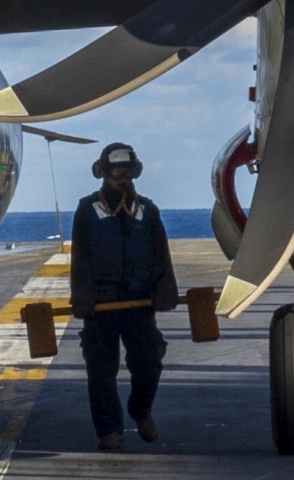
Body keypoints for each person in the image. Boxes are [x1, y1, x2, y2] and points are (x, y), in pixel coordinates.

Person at [70, 142, 176, 453]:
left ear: (134, 172)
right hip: (100, 308)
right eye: (115, 171)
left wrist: (165, 291)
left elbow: (161, 254)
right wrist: (83, 298)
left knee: (149, 364)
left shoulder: (148, 210)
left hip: (139, 304)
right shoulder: (87, 210)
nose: (121, 177)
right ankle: (109, 431)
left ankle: (140, 411)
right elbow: (80, 258)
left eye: (126, 171)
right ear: (102, 172)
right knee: (101, 372)